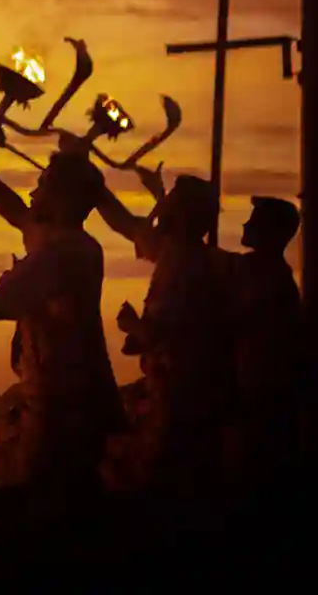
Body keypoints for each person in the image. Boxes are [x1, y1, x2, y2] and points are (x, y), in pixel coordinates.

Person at [0, 145, 125, 505]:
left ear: (60, 198)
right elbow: (17, 213)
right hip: (74, 405)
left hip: (58, 411)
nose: (32, 192)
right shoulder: (82, 246)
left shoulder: (60, 253)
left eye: (41, 184)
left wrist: (13, 277)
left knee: (45, 508)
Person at [104, 174, 234, 504]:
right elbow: (128, 225)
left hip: (175, 393)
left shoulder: (180, 266)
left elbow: (161, 332)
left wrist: (131, 324)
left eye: (171, 203)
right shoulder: (194, 259)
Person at [224, 197, 302, 496]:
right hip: (259, 392)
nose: (245, 223)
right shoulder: (268, 274)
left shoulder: (261, 275)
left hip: (258, 393)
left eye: (254, 220)